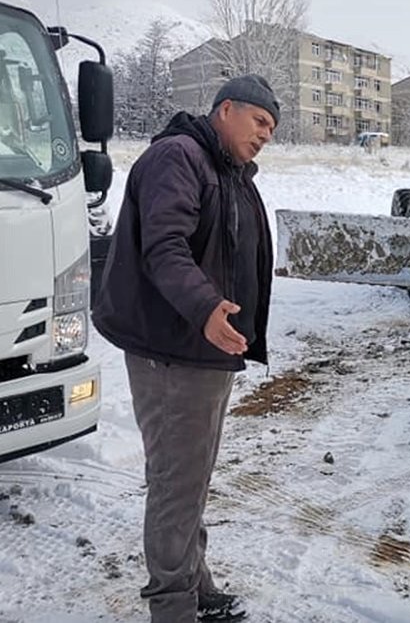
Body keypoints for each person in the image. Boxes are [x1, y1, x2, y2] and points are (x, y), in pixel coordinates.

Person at [92, 74, 279, 623]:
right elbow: (165, 248)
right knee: (176, 482)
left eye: (272, 127)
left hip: (205, 346)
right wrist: (205, 308)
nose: (266, 134)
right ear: (226, 110)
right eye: (260, 121)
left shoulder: (225, 168)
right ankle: (172, 607)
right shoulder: (179, 158)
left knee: (188, 474)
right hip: (174, 349)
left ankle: (194, 583)